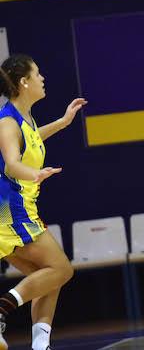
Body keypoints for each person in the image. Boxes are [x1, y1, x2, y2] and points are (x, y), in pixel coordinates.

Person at [0, 54, 86, 350]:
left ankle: (40, 345)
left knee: (46, 277)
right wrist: (35, 174)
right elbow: (11, 164)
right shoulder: (7, 122)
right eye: (37, 74)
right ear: (24, 82)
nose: (42, 78)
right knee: (62, 270)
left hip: (18, 208)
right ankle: (1, 311)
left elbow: (32, 139)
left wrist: (62, 123)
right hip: (9, 210)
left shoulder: (23, 119)